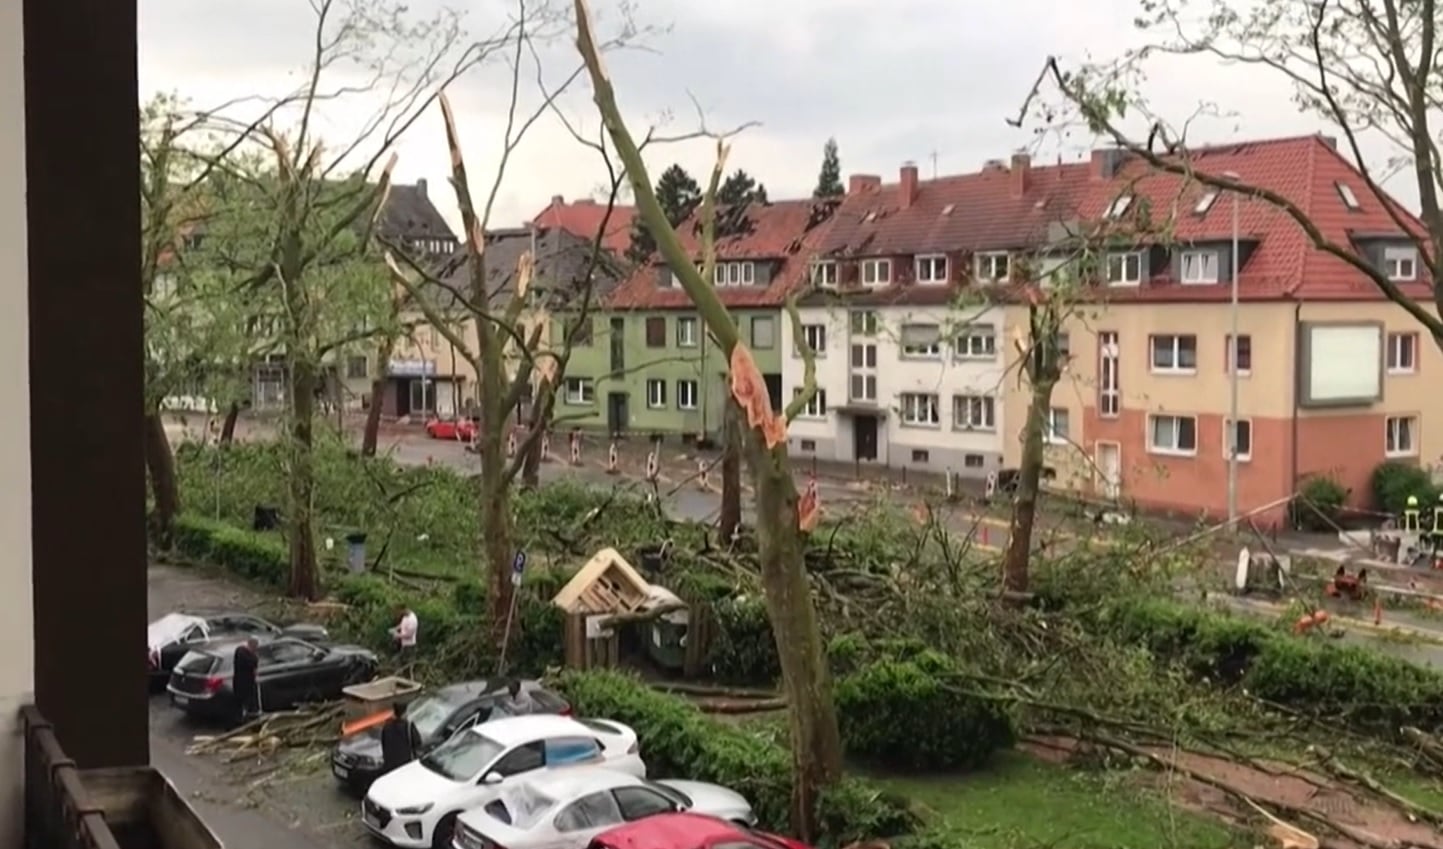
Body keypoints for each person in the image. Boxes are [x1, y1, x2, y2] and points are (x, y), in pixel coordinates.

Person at [379, 702, 422, 774]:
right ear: (404, 713)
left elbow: (383, 744)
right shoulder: (409, 727)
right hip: (405, 765)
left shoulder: (386, 727)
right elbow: (418, 742)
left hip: (389, 765)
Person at [233, 638, 260, 723]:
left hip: (239, 682)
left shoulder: (239, 651)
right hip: (245, 683)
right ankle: (244, 720)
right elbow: (253, 663)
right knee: (245, 702)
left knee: (240, 703)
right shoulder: (244, 654)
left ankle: (241, 718)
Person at [390, 605, 418, 675]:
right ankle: (401, 675)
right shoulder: (405, 617)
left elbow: (409, 635)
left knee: (406, 665)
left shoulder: (412, 620)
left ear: (403, 610)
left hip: (409, 645)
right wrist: (395, 629)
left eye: (399, 612)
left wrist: (397, 635)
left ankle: (407, 678)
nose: (398, 614)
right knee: (400, 662)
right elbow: (402, 625)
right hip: (404, 644)